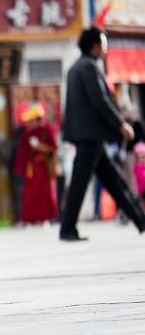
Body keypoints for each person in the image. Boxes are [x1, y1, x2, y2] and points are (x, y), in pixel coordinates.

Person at [60, 27, 145, 241]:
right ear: (95, 45)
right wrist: (120, 124)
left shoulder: (75, 68)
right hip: (90, 136)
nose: (106, 50)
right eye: (104, 44)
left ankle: (140, 220)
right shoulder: (89, 67)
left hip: (86, 136)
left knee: (113, 182)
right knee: (83, 183)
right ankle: (67, 228)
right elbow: (100, 101)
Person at [13, 103, 58, 224]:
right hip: (31, 170)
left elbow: (54, 148)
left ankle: (45, 219)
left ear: (37, 120)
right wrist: (22, 168)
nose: (28, 124)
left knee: (44, 195)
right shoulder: (26, 135)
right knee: (29, 196)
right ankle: (29, 219)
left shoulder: (46, 131)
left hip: (43, 168)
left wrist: (40, 147)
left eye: (31, 121)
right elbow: (21, 154)